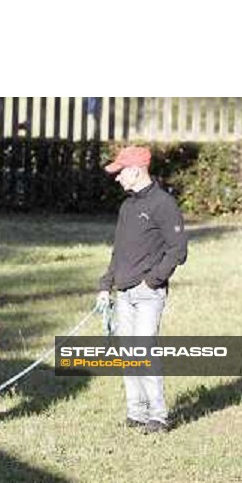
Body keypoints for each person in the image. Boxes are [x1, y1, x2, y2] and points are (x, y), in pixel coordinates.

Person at [96, 146, 188, 433]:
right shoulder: (127, 207)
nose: (117, 178)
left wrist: (153, 280)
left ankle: (158, 416)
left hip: (148, 294)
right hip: (123, 293)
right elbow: (118, 252)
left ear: (136, 170)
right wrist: (105, 286)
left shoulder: (164, 204)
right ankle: (136, 412)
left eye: (120, 171)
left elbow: (178, 251)